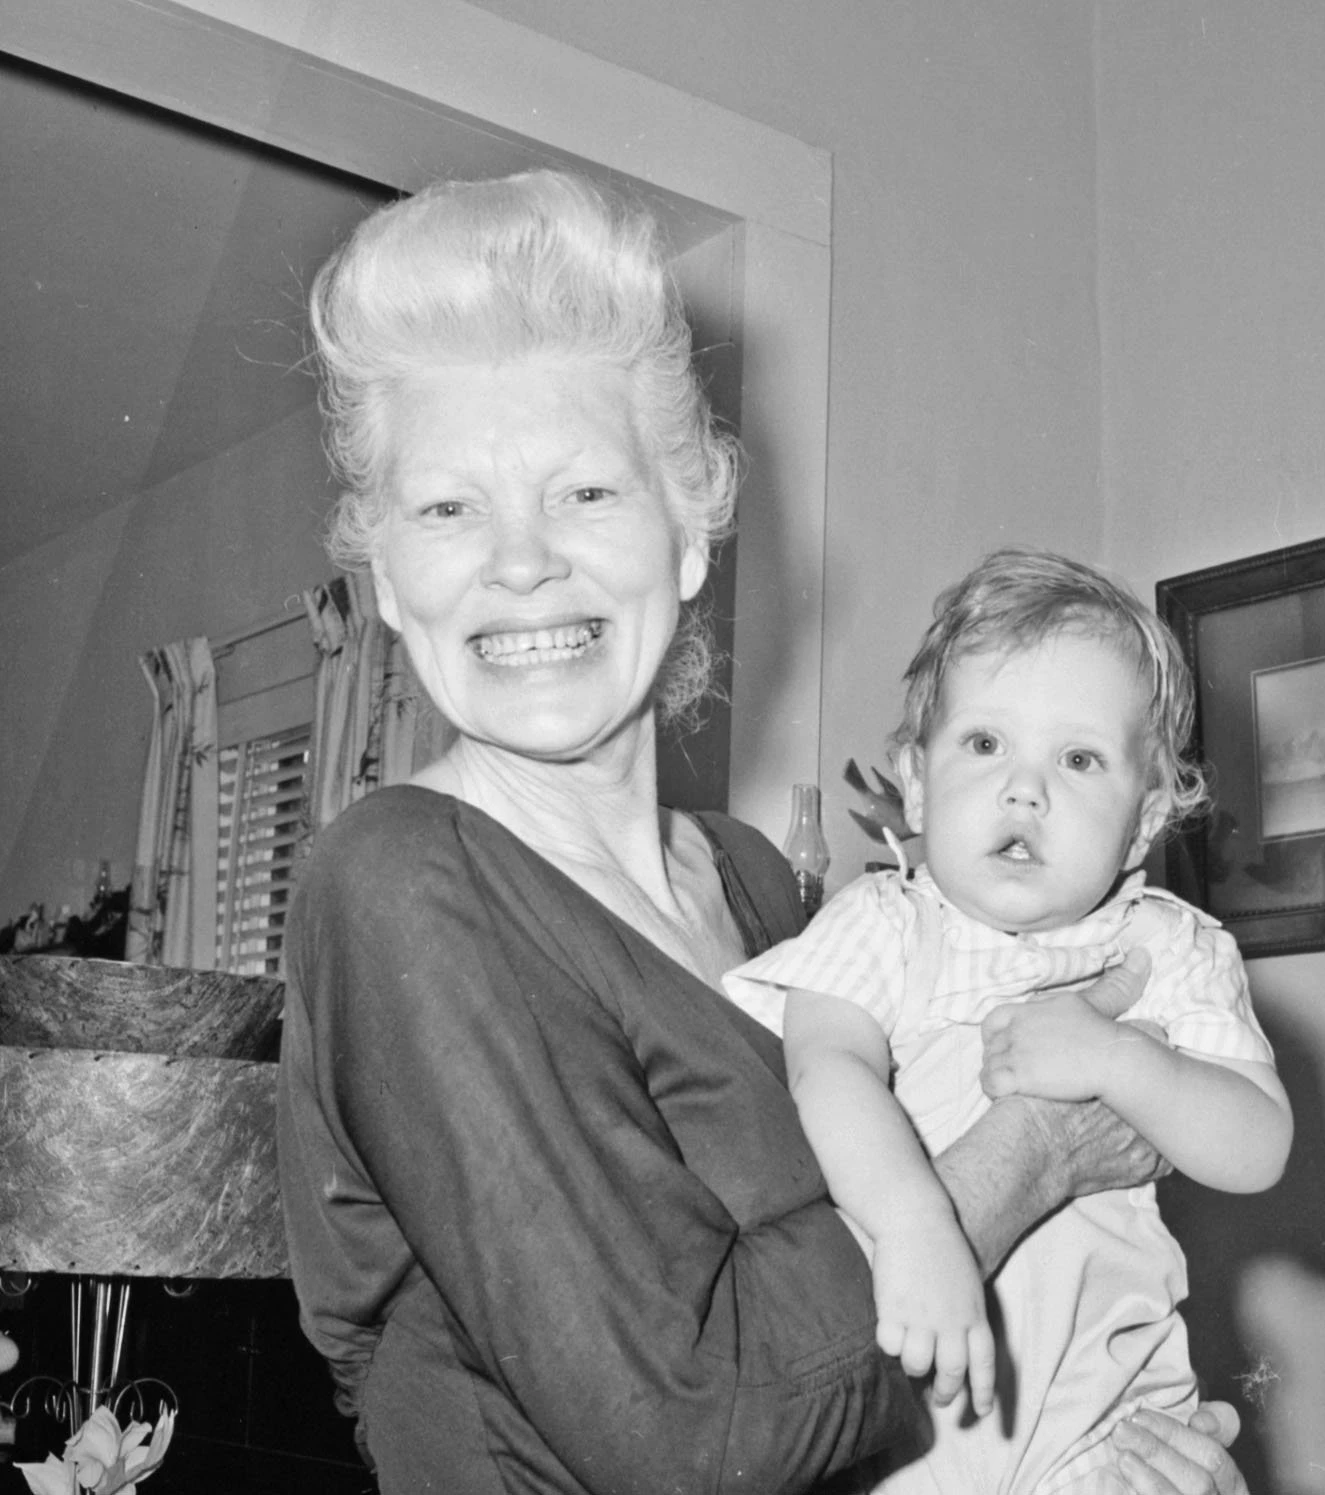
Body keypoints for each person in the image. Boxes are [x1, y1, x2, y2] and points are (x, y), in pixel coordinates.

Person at [274, 170, 1251, 1495]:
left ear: (688, 538)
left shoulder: (747, 876)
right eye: (448, 507)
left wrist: (1117, 1450)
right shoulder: (396, 875)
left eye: (584, 493)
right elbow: (692, 1426)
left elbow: (849, 1384)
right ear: (388, 575)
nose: (520, 561)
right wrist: (1040, 1146)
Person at [725, 547, 1292, 1494]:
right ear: (916, 782)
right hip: (907, 1441)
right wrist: (915, 1224)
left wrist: (1118, 1059)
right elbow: (827, 1068)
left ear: (1146, 816)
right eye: (985, 743)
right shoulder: (883, 924)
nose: (1026, 788)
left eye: (1079, 758)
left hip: (1107, 1437)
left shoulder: (1165, 945)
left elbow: (1259, 1144)